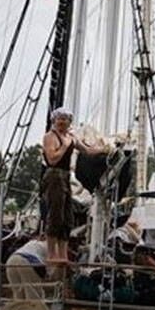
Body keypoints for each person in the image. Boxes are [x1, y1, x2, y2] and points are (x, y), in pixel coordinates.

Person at [41, 107, 104, 277]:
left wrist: (104, 150)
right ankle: (51, 254)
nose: (62, 122)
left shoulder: (71, 137)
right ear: (54, 121)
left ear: (69, 122)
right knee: (55, 214)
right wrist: (66, 146)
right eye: (59, 119)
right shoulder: (50, 137)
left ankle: (62, 254)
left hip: (66, 176)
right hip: (54, 175)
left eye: (65, 119)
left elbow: (87, 150)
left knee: (66, 217)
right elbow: (52, 158)